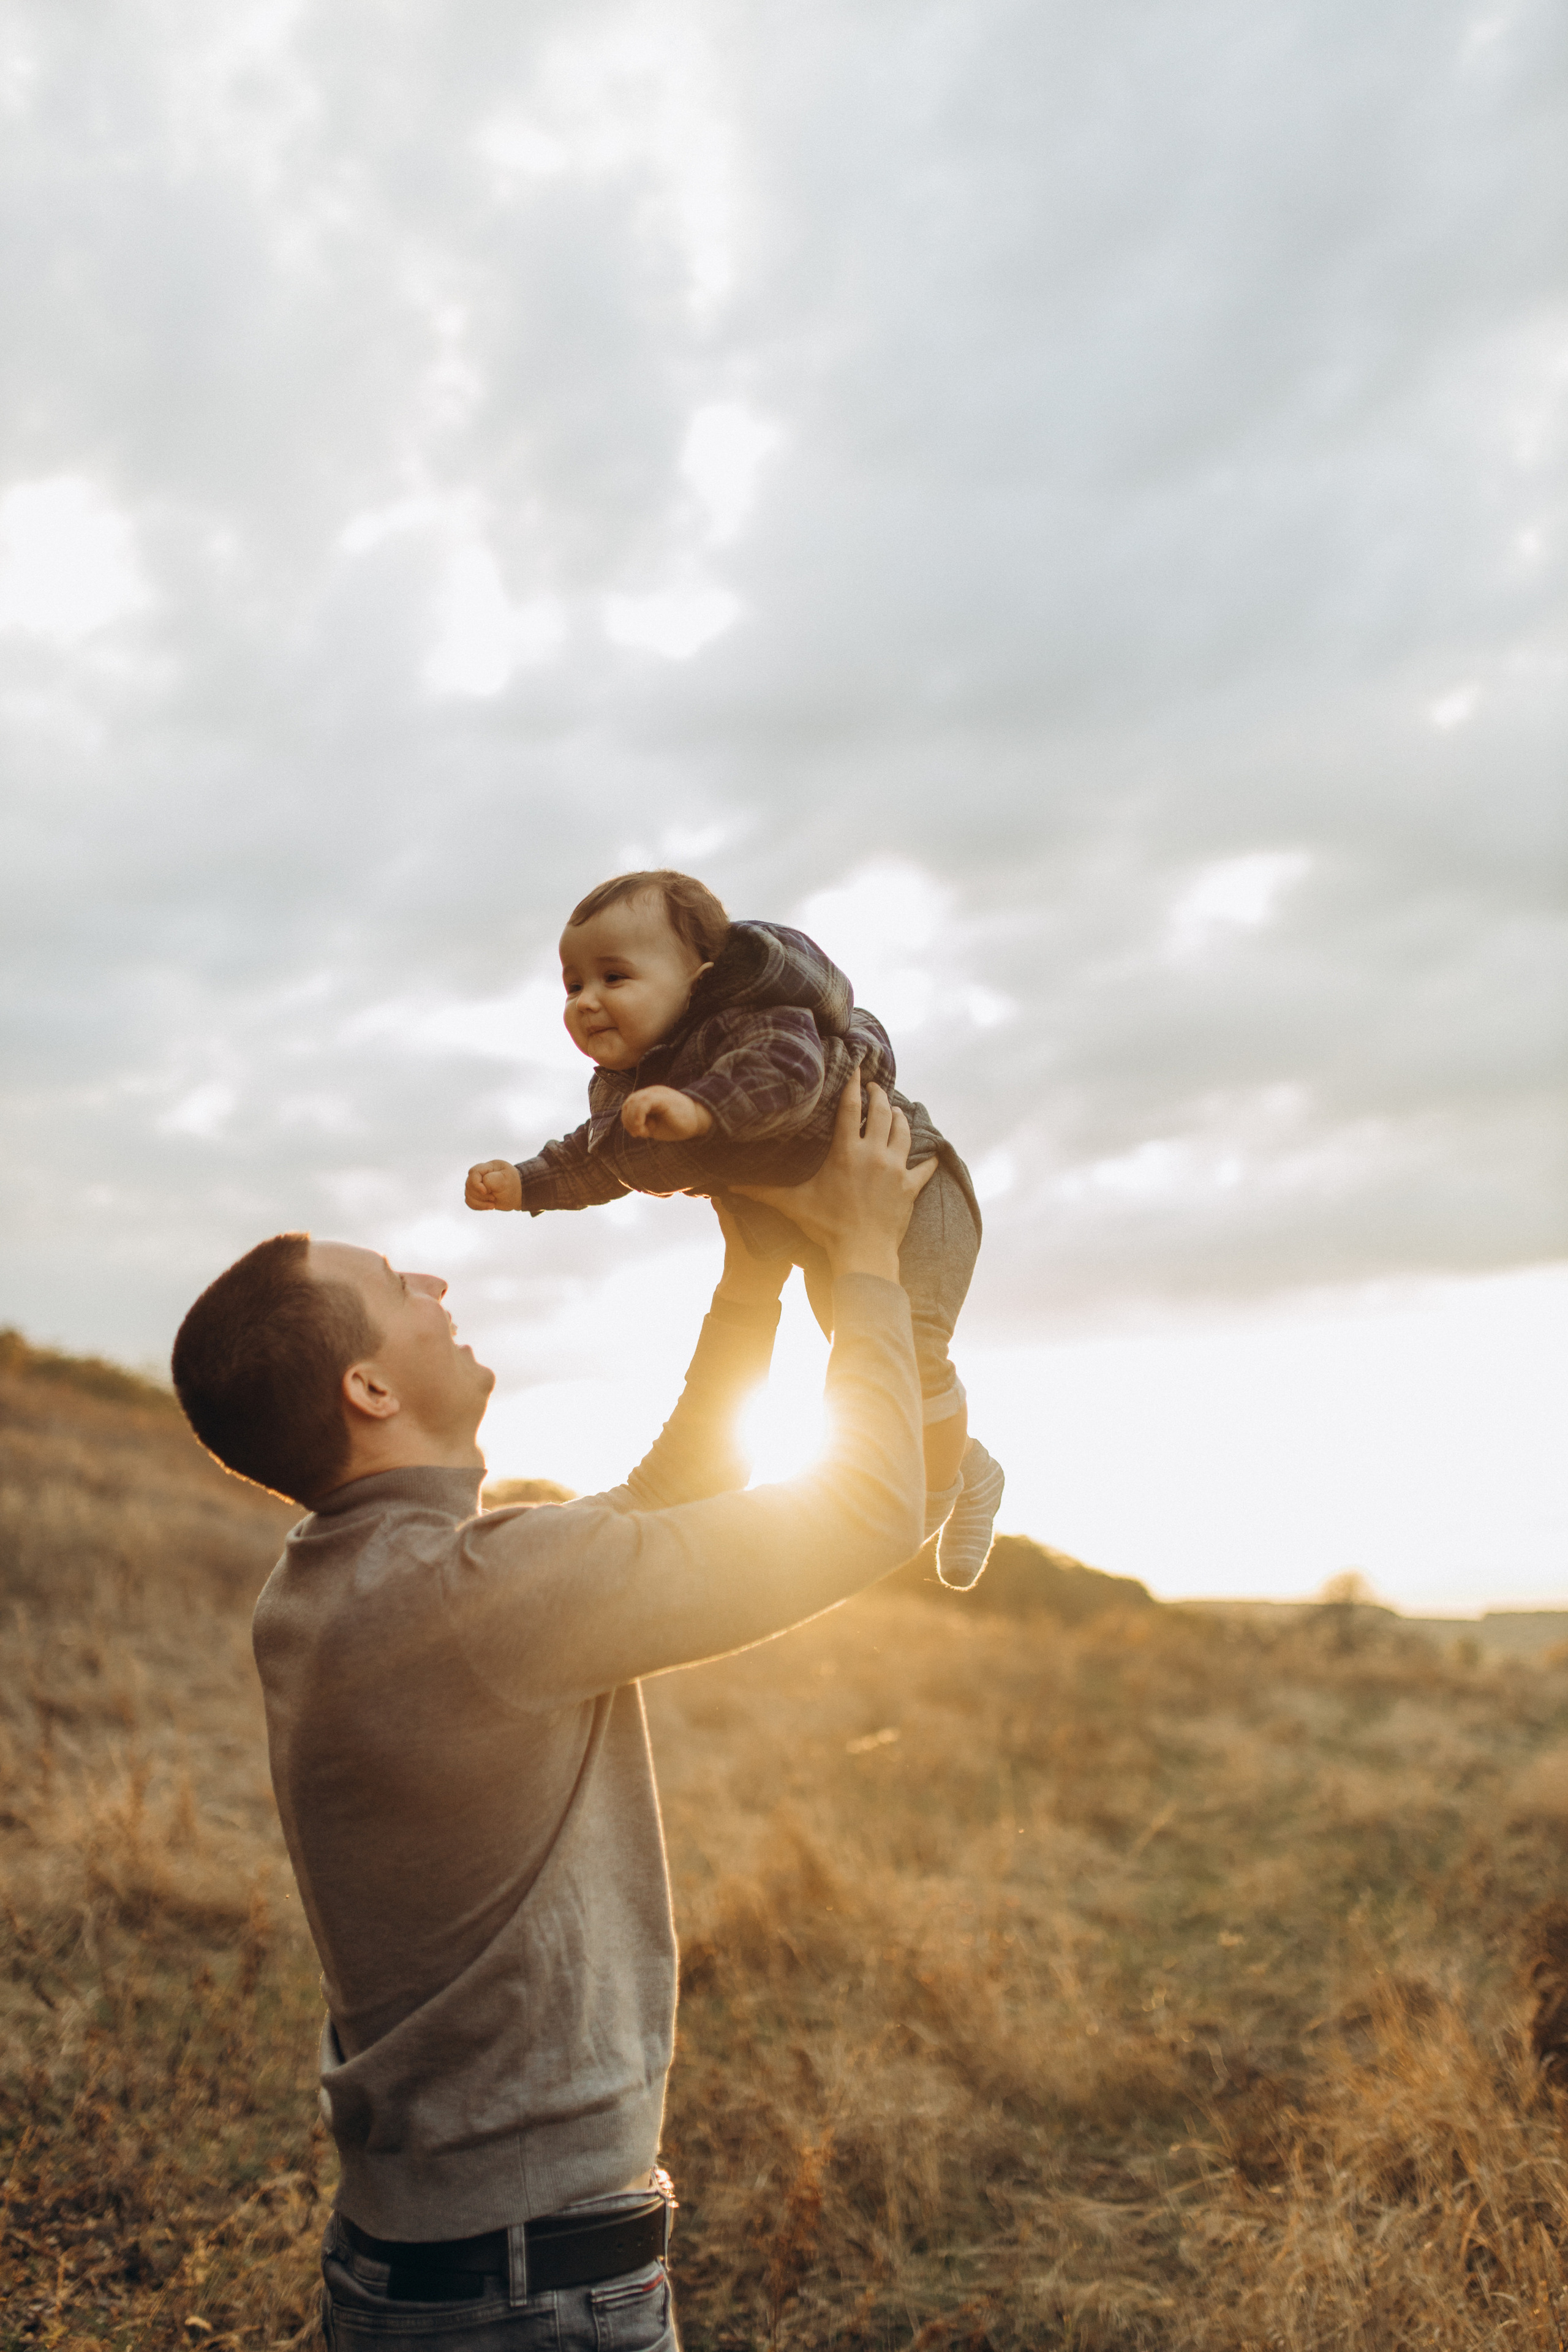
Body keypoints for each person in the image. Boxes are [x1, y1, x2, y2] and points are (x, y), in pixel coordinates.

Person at [170, 1084, 933, 2351]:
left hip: (443, 2267)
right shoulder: (471, 1601)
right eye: (395, 1285)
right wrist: (860, 1258)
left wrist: (747, 1287)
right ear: (367, 1387)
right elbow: (869, 1508)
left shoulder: (331, 1586)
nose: (434, 1282)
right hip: (526, 2300)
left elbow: (647, 1511)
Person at [464, 868, 1004, 1589]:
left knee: (908, 1354)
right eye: (572, 986)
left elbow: (784, 1074)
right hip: (826, 1229)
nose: (587, 1000)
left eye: (614, 976)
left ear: (700, 977)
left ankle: (937, 1501)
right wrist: (527, 1182)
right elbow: (599, 1162)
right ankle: (965, 1462)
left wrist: (702, 1109)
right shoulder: (625, 1090)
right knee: (869, 1359)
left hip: (914, 1187)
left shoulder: (757, 1019)